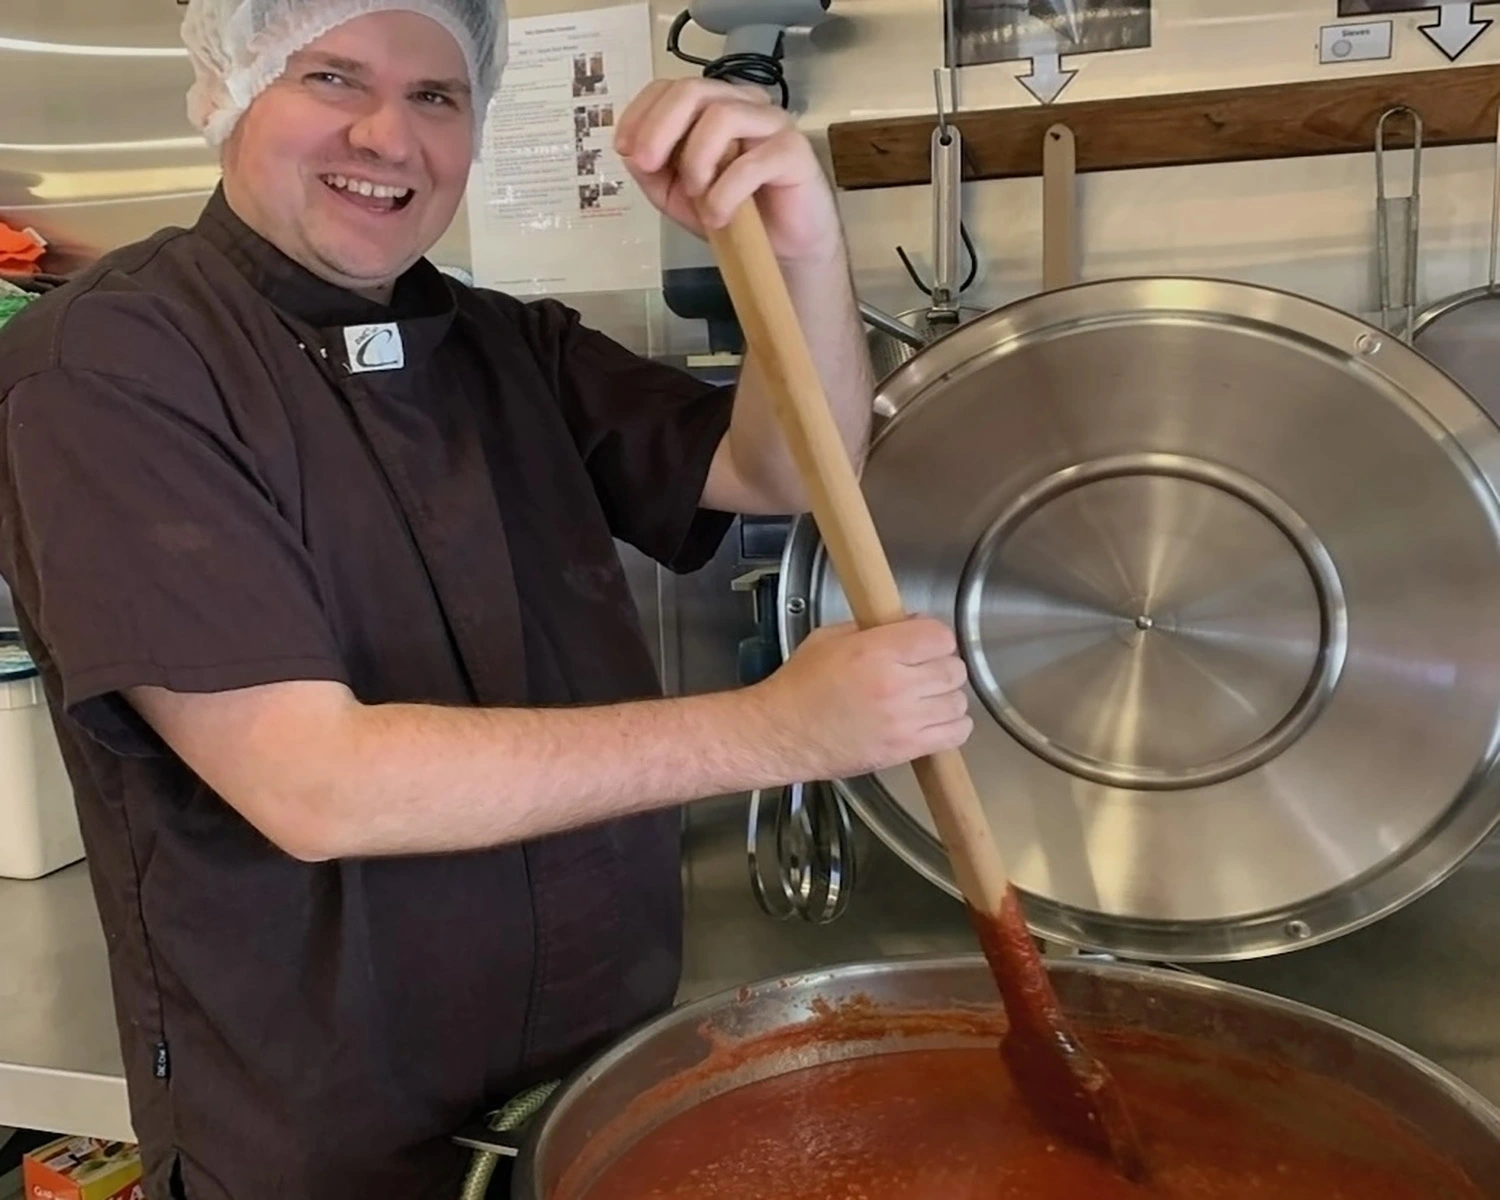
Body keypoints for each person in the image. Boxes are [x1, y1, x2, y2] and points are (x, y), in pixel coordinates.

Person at [0, 1, 973, 1196]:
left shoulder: (505, 346)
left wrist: (800, 242)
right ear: (231, 91)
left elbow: (785, 466)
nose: (386, 136)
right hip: (326, 1134)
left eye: (435, 96)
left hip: (596, 1077)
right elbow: (313, 782)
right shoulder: (110, 367)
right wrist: (780, 729)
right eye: (332, 77)